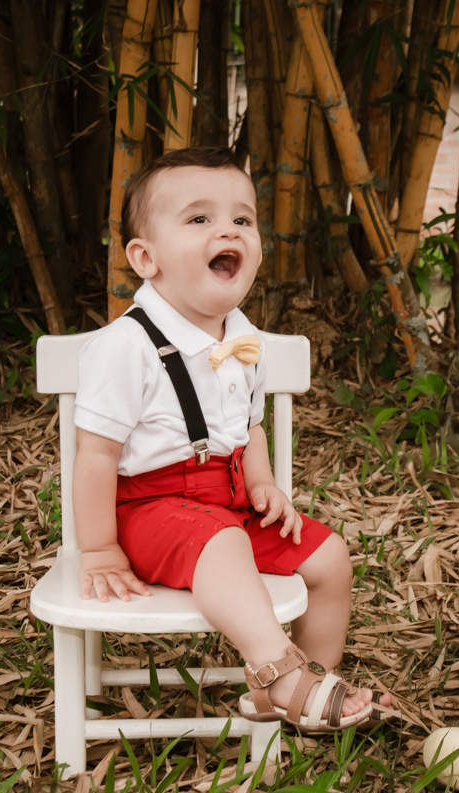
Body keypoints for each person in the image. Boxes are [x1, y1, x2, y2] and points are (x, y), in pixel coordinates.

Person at [72, 147, 391, 731]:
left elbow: (250, 428)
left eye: (242, 219)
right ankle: (277, 668)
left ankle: (305, 685)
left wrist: (265, 483)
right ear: (146, 258)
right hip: (149, 509)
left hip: (230, 502)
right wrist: (99, 548)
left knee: (330, 557)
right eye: (199, 219)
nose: (228, 229)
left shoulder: (245, 342)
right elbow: (95, 457)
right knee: (220, 540)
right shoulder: (124, 348)